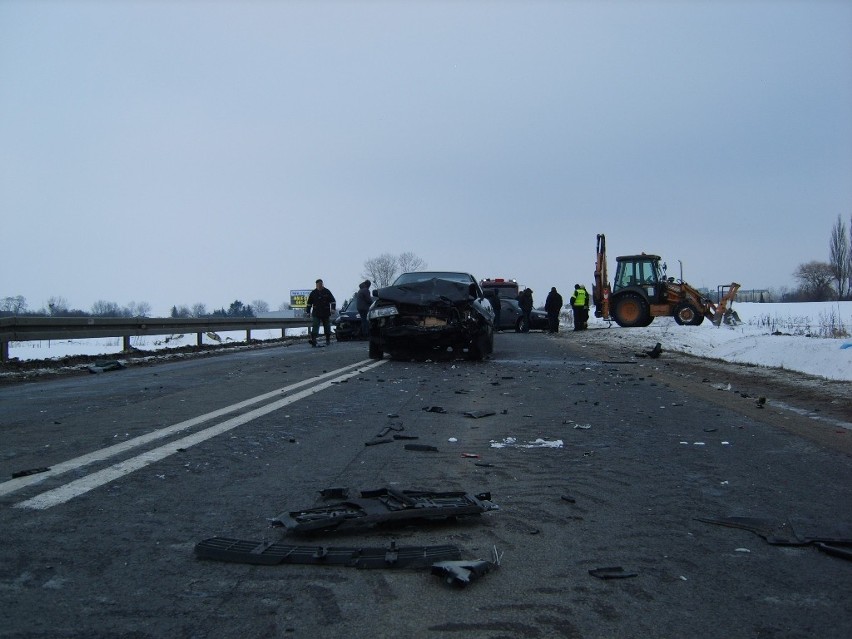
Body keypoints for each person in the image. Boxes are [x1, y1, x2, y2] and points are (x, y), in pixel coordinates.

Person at [306, 279, 336, 346]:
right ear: (316, 285)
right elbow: (309, 304)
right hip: (316, 313)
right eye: (318, 285)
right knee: (315, 325)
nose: (320, 286)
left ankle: (328, 339)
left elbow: (333, 301)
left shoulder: (327, 291)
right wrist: (308, 312)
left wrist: (333, 309)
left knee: (327, 326)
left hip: (325, 312)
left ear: (322, 284)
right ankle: (314, 340)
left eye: (321, 284)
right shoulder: (313, 293)